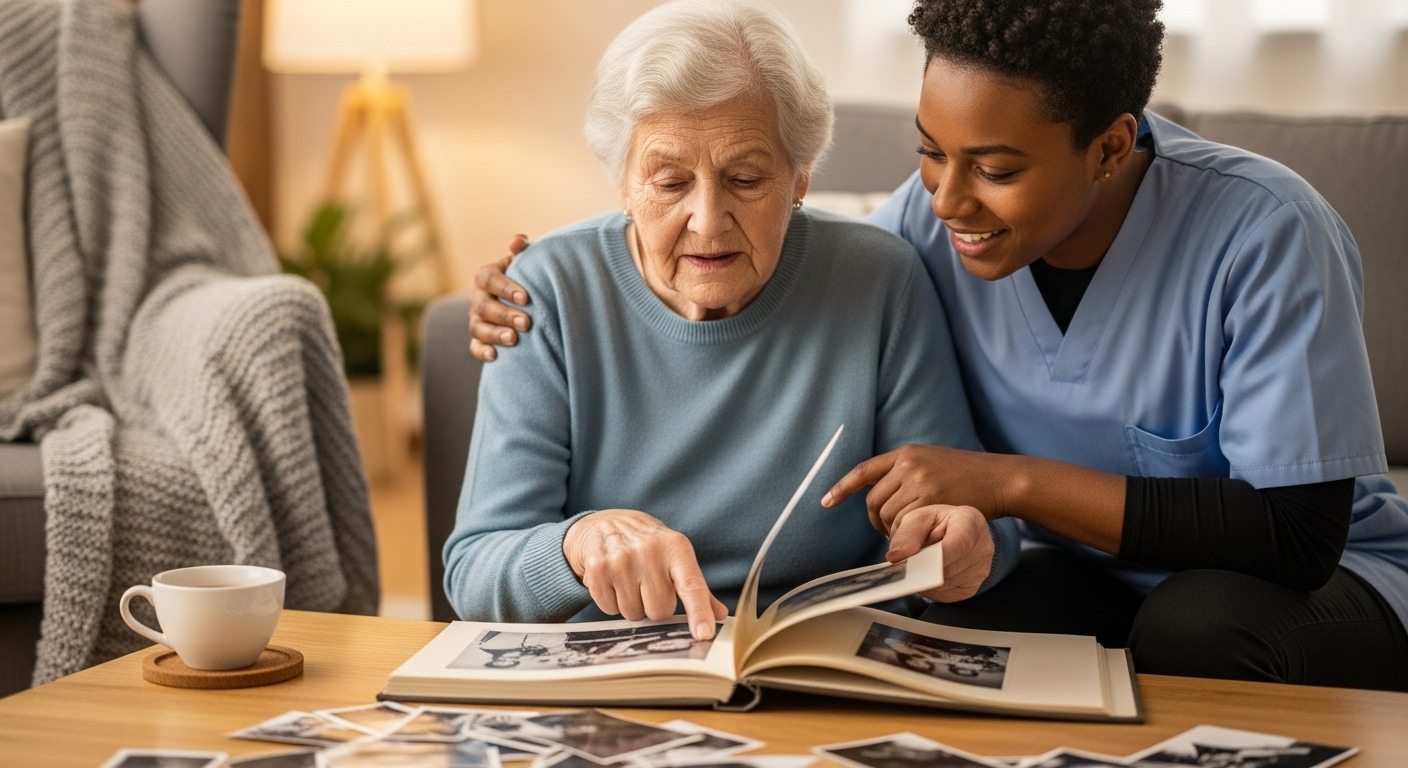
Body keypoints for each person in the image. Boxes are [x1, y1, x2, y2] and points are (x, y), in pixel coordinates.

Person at [466, 0, 1408, 690]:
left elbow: (1296, 533)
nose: (948, 200)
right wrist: (534, 278)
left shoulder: (1267, 229)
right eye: (929, 152)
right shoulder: (926, 229)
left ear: (1113, 149)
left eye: (994, 169)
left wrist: (1006, 486)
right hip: (1091, 575)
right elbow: (771, 249)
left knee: (1195, 627)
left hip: (1297, 579)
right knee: (957, 638)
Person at [443, 0, 1020, 642]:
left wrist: (967, 546)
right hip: (616, 669)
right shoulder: (547, 291)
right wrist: (574, 546)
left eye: (746, 179)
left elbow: (979, 524)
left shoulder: (881, 279)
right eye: (668, 183)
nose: (708, 220)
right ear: (622, 183)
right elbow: (473, 573)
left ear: (801, 177)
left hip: (828, 661)